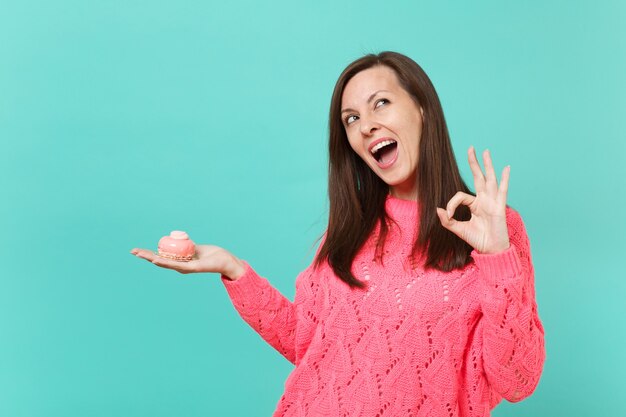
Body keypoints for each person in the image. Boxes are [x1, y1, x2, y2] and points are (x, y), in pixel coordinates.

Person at [131, 51, 545, 417]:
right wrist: (234, 269)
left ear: (421, 108)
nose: (365, 126)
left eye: (380, 103)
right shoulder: (351, 227)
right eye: (352, 119)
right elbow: (308, 343)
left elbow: (517, 382)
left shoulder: (494, 229)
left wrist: (497, 259)